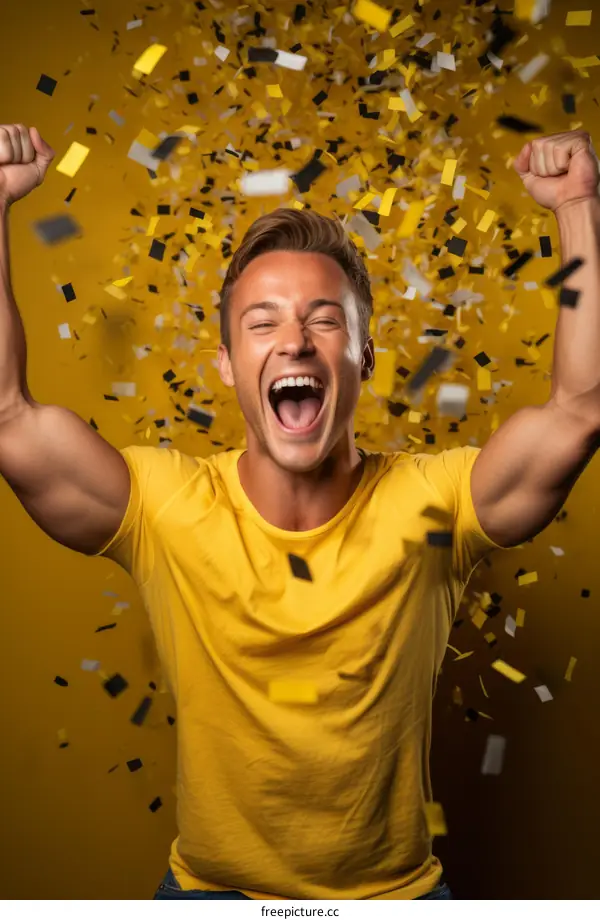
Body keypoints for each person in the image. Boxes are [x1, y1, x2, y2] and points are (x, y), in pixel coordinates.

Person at [0, 123, 599, 901]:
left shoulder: (436, 505)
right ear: (225, 363)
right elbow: (8, 420)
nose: (295, 342)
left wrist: (578, 203)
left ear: (363, 358)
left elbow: (583, 407)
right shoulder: (165, 507)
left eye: (324, 320)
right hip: (209, 899)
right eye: (262, 323)